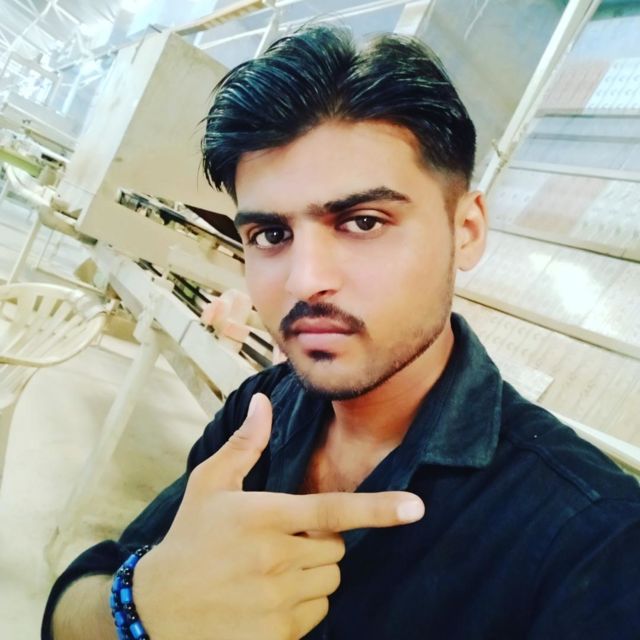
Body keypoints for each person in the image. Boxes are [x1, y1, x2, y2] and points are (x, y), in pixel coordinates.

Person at [43, 24, 640, 640]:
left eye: (363, 222)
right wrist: (141, 607)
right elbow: (71, 606)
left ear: (465, 231)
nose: (305, 281)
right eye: (271, 235)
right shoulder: (260, 413)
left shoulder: (594, 543)